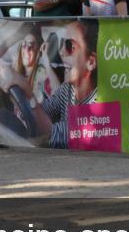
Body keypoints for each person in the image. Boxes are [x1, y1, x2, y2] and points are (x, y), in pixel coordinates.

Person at [29, 20, 99, 149]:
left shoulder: (99, 103)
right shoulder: (67, 89)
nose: (61, 52)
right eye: (61, 44)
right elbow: (44, 111)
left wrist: (25, 91)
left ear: (90, 62)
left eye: (69, 46)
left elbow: (51, 134)